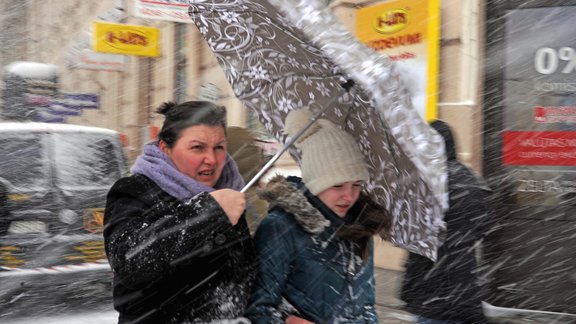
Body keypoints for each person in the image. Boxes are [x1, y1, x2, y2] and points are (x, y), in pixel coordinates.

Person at [103, 101, 256, 323]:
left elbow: (243, 278)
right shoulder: (134, 190)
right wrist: (209, 212)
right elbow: (130, 260)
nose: (212, 160)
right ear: (166, 149)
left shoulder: (229, 192)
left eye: (219, 147)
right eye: (197, 147)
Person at [245, 109, 390, 323]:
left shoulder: (360, 227)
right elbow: (259, 310)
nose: (349, 196)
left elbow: (366, 307)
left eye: (357, 185)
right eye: (338, 185)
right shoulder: (280, 227)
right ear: (315, 181)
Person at [400, 120, 492, 324]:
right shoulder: (469, 178)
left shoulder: (429, 183)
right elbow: (483, 227)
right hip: (464, 287)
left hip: (432, 293)